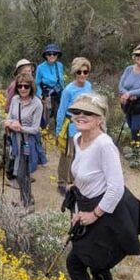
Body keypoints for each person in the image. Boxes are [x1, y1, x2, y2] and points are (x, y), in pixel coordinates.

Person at [64, 93, 140, 280]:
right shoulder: (77, 138)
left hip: (109, 210)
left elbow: (115, 186)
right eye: (77, 112)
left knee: (76, 262)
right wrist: (79, 210)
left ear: (100, 118)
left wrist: (94, 214)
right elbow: (80, 180)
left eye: (88, 113)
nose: (81, 116)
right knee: (97, 262)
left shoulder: (104, 144)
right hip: (90, 206)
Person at [4, 74, 47, 213]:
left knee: (23, 173)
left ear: (31, 87)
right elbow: (9, 117)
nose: (23, 89)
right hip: (15, 141)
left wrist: (19, 127)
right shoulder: (15, 100)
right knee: (20, 173)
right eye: (20, 86)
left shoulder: (37, 103)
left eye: (26, 86)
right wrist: (10, 124)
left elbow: (35, 128)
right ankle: (26, 199)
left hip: (28, 142)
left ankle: (28, 203)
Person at [55, 57, 93, 194]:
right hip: (71, 126)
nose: (82, 75)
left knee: (79, 155)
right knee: (67, 155)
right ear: (74, 73)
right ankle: (61, 182)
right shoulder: (68, 90)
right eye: (79, 72)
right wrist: (59, 130)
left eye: (85, 72)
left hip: (85, 126)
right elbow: (61, 110)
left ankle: (74, 181)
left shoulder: (89, 86)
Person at [36, 43, 65, 131]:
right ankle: (44, 135)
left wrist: (64, 94)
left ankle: (58, 135)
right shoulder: (40, 68)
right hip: (46, 95)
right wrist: (40, 95)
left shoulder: (59, 65)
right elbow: (36, 83)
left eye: (54, 54)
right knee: (45, 118)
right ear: (45, 55)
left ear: (57, 55)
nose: (52, 56)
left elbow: (61, 81)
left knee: (59, 115)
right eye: (49, 54)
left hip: (58, 94)